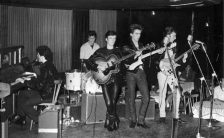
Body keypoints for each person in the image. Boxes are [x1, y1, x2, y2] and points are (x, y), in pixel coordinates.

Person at [86, 31, 122, 131]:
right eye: (110, 38)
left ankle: (110, 121)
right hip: (104, 79)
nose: (113, 40)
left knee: (113, 102)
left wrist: (117, 67)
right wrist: (97, 66)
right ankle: (115, 119)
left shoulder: (118, 51)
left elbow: (123, 65)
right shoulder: (100, 51)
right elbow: (88, 61)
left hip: (115, 79)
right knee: (109, 103)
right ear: (106, 39)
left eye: (114, 38)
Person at [13, 46, 58, 125]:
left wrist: (26, 82)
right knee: (22, 94)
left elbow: (39, 86)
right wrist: (34, 78)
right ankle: (21, 117)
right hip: (47, 92)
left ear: (42, 56)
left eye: (37, 54)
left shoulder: (45, 68)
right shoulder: (49, 65)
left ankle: (40, 119)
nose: (37, 56)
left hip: (45, 95)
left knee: (24, 104)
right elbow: (43, 81)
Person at [157, 26, 188, 124]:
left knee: (177, 92)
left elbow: (175, 60)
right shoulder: (161, 45)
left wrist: (183, 59)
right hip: (162, 72)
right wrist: (162, 68)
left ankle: (176, 117)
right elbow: (156, 59)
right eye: (173, 35)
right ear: (168, 35)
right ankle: (162, 116)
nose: (175, 37)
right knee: (162, 94)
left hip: (172, 72)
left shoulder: (175, 46)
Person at [122, 24, 150, 128]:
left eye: (140, 34)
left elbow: (146, 59)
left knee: (146, 97)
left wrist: (155, 52)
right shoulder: (127, 46)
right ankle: (133, 120)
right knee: (131, 98)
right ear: (131, 34)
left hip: (141, 72)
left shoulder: (142, 45)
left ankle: (141, 120)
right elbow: (126, 59)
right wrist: (135, 55)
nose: (138, 36)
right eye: (136, 33)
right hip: (130, 73)